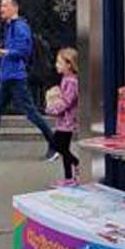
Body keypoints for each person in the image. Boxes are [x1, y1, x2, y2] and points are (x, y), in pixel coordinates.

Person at [0, 0, 56, 163]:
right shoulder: (9, 27)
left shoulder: (21, 27)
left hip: (16, 78)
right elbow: (9, 53)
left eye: (5, 6)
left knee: (31, 113)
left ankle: (55, 144)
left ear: (15, 8)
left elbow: (22, 53)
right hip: (7, 77)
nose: (1, 9)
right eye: (1, 6)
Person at [45, 47, 81, 186]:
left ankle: (77, 163)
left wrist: (52, 108)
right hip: (64, 120)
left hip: (68, 121)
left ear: (69, 64)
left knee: (57, 145)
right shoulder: (66, 79)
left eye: (59, 62)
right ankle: (68, 178)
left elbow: (67, 101)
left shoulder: (71, 81)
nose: (56, 65)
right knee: (63, 148)